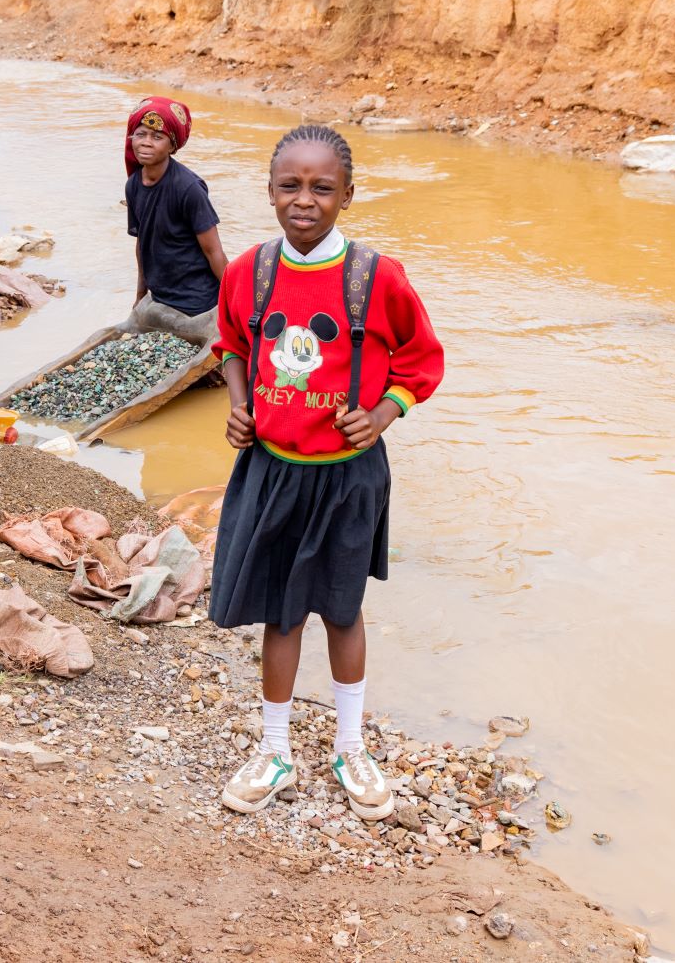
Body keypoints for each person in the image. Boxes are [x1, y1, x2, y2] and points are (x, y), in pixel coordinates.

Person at [208, 125, 444, 823]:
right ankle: (274, 750)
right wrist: (240, 405)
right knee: (282, 611)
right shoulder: (248, 271)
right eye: (290, 186)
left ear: (348, 195)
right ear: (270, 190)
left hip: (348, 476)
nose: (303, 201)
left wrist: (382, 415)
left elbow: (421, 362)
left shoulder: (377, 278)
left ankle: (350, 747)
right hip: (275, 471)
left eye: (321, 188)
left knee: (342, 609)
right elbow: (229, 344)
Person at [125, 95, 228, 344]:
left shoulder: (188, 188)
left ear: (172, 146)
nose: (146, 143)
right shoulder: (133, 186)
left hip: (197, 302)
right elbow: (142, 244)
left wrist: (234, 302)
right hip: (160, 297)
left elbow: (213, 251)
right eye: (140, 135)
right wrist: (141, 296)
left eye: (157, 137)